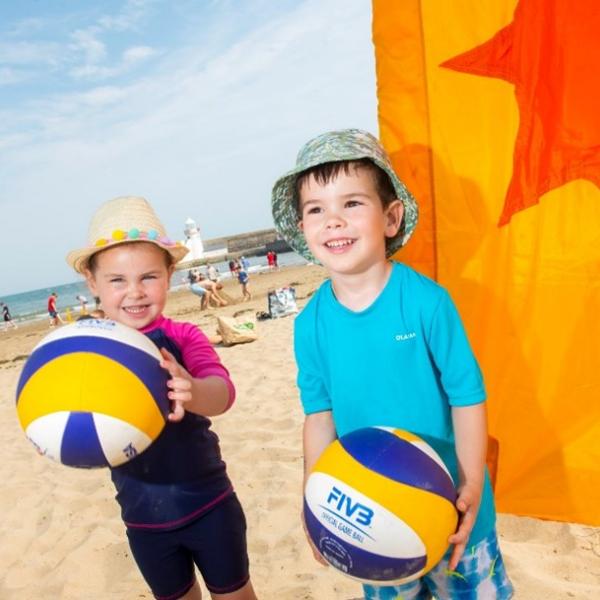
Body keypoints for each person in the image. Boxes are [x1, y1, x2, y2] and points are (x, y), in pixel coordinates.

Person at [271, 129, 513, 600]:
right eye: (316, 209)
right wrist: (312, 493)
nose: (333, 221)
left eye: (353, 204)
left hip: (452, 508)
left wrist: (471, 485)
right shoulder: (310, 325)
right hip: (371, 518)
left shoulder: (426, 303)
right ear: (302, 229)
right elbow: (319, 417)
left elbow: (468, 398)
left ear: (391, 217)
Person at [65, 196, 257, 600]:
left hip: (211, 506)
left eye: (148, 277)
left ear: (170, 275)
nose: (134, 292)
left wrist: (192, 388)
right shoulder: (88, 351)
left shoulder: (184, 337)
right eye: (117, 280)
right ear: (92, 283)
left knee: (236, 595)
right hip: (143, 521)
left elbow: (222, 393)